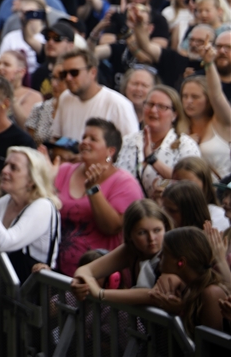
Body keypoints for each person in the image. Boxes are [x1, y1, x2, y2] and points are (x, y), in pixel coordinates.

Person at [55, 118, 145, 275]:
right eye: (84, 137)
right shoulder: (64, 170)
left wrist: (93, 190)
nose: (84, 142)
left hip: (97, 277)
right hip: (56, 271)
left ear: (111, 151)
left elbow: (111, 227)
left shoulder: (124, 183)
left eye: (93, 139)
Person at [0, 147, 62, 282]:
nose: (4, 170)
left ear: (31, 180)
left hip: (29, 296)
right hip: (2, 290)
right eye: (5, 164)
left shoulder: (43, 206)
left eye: (13, 168)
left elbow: (5, 243)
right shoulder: (8, 200)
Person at [71, 199, 172, 306]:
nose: (151, 238)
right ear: (130, 235)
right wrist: (79, 281)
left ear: (165, 228)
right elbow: (85, 270)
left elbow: (154, 294)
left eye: (157, 230)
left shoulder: (172, 253)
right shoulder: (130, 250)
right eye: (142, 233)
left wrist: (100, 293)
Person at [115, 85, 202, 197]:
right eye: (150, 104)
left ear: (174, 115)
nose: (153, 110)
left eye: (162, 107)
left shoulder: (186, 145)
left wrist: (153, 160)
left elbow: (192, 183)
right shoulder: (127, 141)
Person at [149, 227, 230, 335]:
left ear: (181, 262)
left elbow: (211, 346)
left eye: (164, 253)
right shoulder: (187, 286)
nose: (158, 256)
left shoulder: (210, 293)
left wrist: (179, 313)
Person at [51, 48, 139, 142]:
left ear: (93, 72)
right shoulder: (65, 98)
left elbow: (132, 147)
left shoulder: (118, 104)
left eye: (74, 73)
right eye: (64, 74)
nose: (68, 78)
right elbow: (57, 137)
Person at [172, 156, 230, 231]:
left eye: (190, 184)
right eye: (177, 183)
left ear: (205, 185)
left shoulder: (217, 215)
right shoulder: (167, 208)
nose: (181, 189)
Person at [0, 50, 42, 125]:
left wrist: (10, 94)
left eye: (6, 65)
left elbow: (25, 126)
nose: (0, 67)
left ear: (21, 72)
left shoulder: (33, 96)